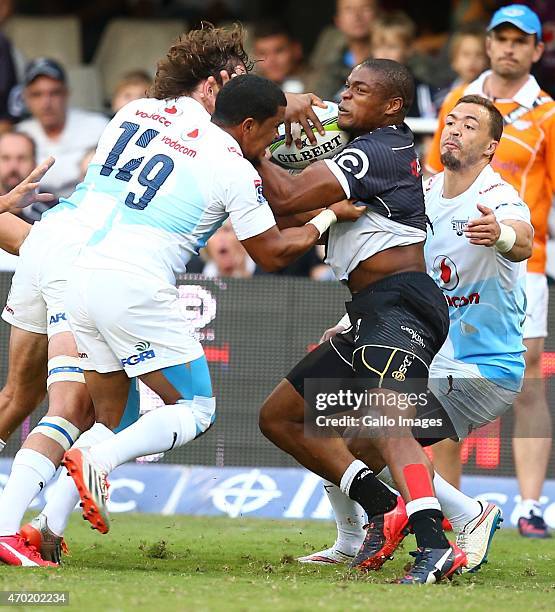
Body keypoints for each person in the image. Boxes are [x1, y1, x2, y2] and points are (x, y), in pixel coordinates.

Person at [0, 22, 333, 567]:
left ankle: (44, 527)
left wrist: (277, 108)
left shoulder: (136, 113)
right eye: (239, 78)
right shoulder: (222, 152)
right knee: (96, 408)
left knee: (76, 405)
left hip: (60, 242)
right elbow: (268, 242)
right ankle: (31, 511)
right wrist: (321, 198)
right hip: (100, 261)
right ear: (216, 85)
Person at [58, 72, 362, 542]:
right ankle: (100, 461)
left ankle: (45, 528)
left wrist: (287, 102)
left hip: (79, 273)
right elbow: (272, 253)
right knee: (196, 408)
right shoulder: (235, 167)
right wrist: (328, 215)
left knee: (112, 417)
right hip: (134, 284)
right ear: (246, 126)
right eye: (273, 127)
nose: (275, 138)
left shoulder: (154, 114)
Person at [254, 58, 472, 584]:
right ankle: (380, 504)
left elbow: (283, 198)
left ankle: (436, 544)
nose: (344, 97)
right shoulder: (364, 150)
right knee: (280, 416)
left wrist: (252, 139)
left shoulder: (383, 148)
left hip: (402, 302)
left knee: (387, 421)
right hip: (368, 311)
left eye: (359, 90)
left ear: (393, 106)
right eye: (345, 87)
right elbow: (283, 210)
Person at [298, 95, 533, 574]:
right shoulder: (420, 195)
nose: (454, 130)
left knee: (373, 430)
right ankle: (350, 538)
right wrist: (350, 326)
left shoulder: (495, 194)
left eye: (469, 126)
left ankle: (469, 514)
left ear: (489, 147)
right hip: (427, 351)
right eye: (450, 121)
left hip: (480, 368)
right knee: (327, 419)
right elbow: (399, 275)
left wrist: (502, 235)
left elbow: (524, 236)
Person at [426, 4, 555, 538]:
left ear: (536, 50)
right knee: (441, 376)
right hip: (455, 259)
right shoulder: (458, 104)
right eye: (500, 38)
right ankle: (451, 510)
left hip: (523, 260)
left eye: (519, 41)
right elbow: (439, 176)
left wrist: (510, 235)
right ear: (487, 43)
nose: (508, 48)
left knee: (528, 380)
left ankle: (529, 505)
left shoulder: (548, 113)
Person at [17, 58, 109, 199]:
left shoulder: (98, 127)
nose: (46, 103)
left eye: (54, 93)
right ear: (26, 98)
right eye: (37, 94)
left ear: (67, 94)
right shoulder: (18, 136)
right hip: (30, 212)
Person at [370, 11, 438, 119]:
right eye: (378, 47)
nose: (384, 53)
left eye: (392, 47)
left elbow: (430, 126)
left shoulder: (422, 90)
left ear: (409, 49)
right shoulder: (361, 87)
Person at [308, 0, 377, 101]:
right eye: (349, 10)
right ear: (337, 20)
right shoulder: (329, 50)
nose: (357, 16)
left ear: (379, 15)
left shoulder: (393, 55)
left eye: (366, 9)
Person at [0, 131, 56, 223]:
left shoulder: (53, 210)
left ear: (34, 163)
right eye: (5, 158)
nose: (13, 166)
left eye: (22, 158)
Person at [434, 24, 489, 107]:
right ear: (454, 60)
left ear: (487, 60)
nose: (472, 61)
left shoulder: (491, 97)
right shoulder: (442, 98)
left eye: (479, 54)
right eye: (466, 54)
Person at [253, 21, 306, 94]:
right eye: (262, 53)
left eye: (279, 51)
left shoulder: (321, 83)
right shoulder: (250, 88)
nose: (271, 60)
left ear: (296, 50)